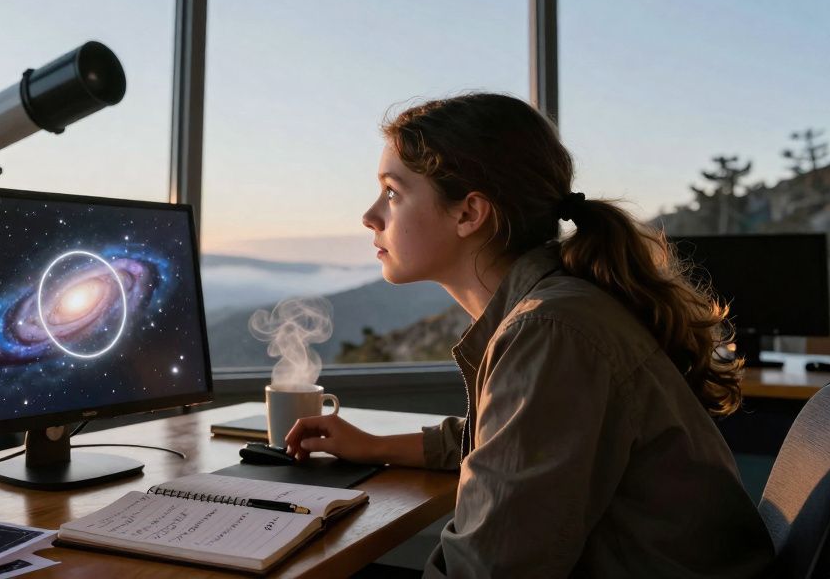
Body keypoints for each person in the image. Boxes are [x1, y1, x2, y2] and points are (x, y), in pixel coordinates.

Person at [284, 93, 774, 578]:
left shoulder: (551, 331)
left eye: (393, 192)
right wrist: (376, 447)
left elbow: (488, 569)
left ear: (469, 213)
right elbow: (511, 440)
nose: (370, 216)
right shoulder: (556, 310)